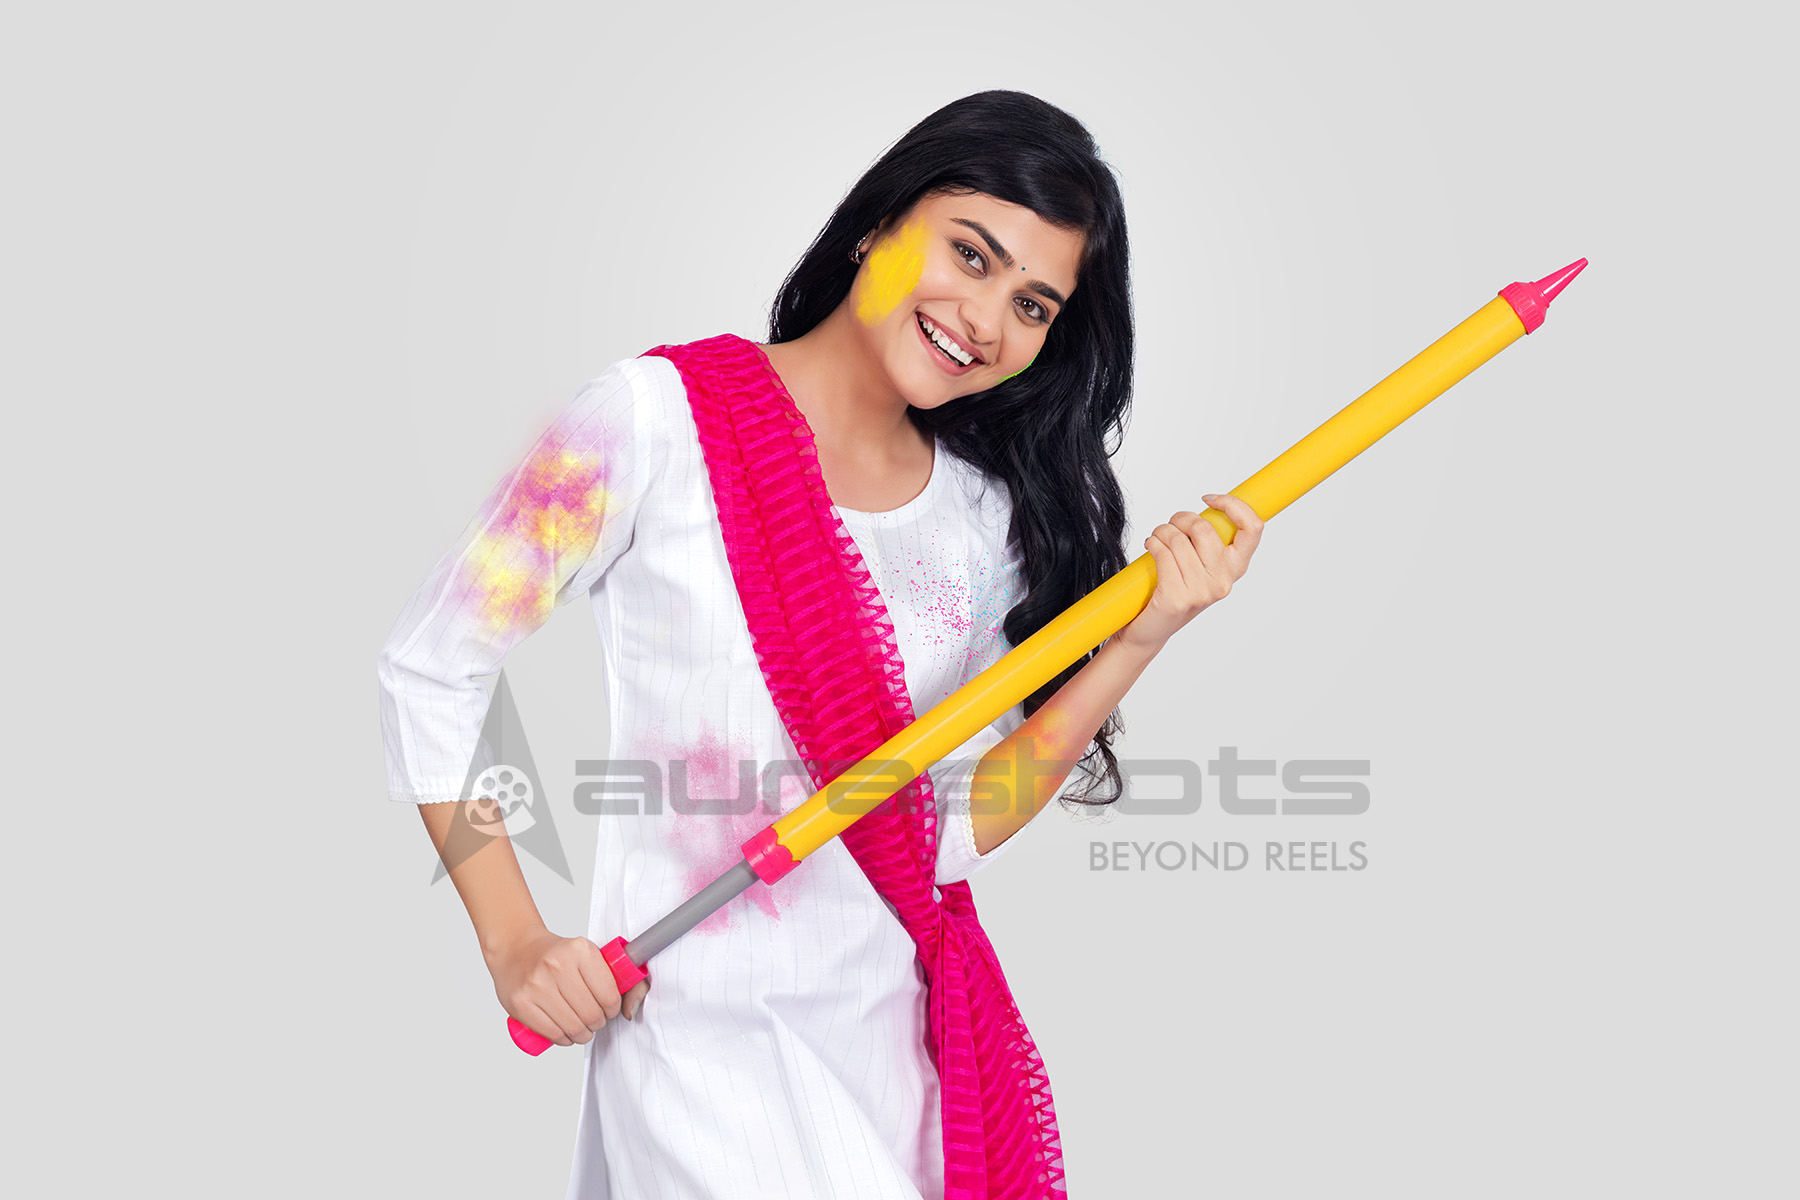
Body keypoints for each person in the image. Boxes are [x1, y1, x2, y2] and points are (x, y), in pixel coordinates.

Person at [377, 89, 1264, 1200]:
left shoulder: (986, 520)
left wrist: (1141, 640)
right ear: (879, 223)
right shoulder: (649, 421)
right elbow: (432, 665)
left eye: (1034, 304)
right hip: (694, 1060)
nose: (988, 320)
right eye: (971, 255)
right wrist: (513, 941)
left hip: (895, 1064)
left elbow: (951, 825)